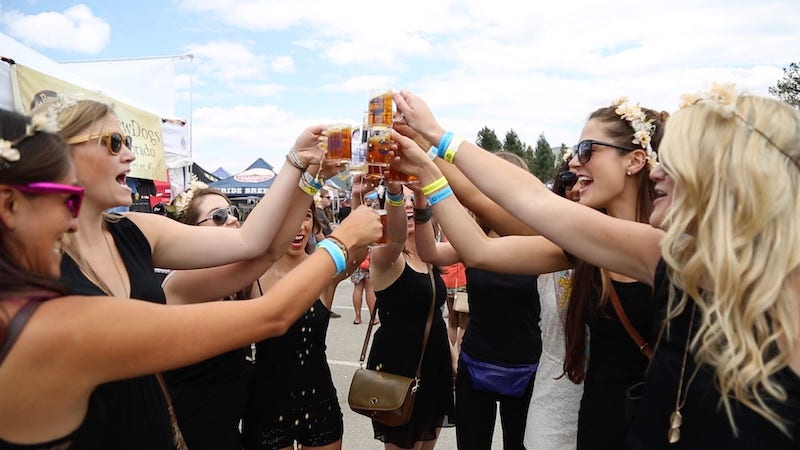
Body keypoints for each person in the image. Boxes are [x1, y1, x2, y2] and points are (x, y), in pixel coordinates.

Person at [392, 84, 800, 448]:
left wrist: (435, 143)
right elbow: (528, 203)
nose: (659, 171)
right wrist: (432, 146)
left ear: (731, 177)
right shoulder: (668, 257)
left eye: (674, 163)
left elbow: (526, 202)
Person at [0, 107, 383, 447]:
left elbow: (258, 245)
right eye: (64, 197)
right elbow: (272, 315)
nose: (70, 221)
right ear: (9, 205)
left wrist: (299, 166)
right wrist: (342, 241)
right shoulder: (47, 321)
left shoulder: (128, 234)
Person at [391, 92, 667, 449]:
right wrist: (427, 164)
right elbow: (480, 247)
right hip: (598, 418)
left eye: (586, 150)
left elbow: (530, 199)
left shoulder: (665, 245)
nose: (573, 162)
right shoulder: (584, 247)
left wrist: (436, 136)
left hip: (652, 422)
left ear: (635, 160)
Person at [160, 179, 314, 450]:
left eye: (232, 212)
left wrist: (311, 178)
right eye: (218, 216)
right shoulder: (184, 280)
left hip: (225, 427)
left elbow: (272, 249)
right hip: (193, 432)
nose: (231, 220)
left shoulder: (230, 282)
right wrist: (341, 245)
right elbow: (270, 256)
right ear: (188, 231)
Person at [411, 151, 541, 450]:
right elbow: (430, 253)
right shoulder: (473, 237)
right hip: (476, 361)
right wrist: (420, 202)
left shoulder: (539, 238)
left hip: (526, 365)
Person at [353, 179, 455, 449]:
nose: (408, 204)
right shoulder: (387, 256)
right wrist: (395, 193)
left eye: (413, 199)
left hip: (435, 360)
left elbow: (436, 311)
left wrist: (453, 355)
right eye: (402, 200)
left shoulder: (432, 255)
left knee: (427, 442)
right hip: (398, 364)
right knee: (403, 441)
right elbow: (395, 236)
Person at [242, 205, 350, 450]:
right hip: (266, 400)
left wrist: (362, 196)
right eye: (290, 216)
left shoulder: (325, 271)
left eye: (307, 216)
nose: (300, 225)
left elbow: (367, 244)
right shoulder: (251, 276)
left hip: (318, 398)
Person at [351, 250, 377, 325]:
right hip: (369, 262)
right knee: (370, 290)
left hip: (358, 262)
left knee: (357, 289)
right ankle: (373, 317)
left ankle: (357, 317)